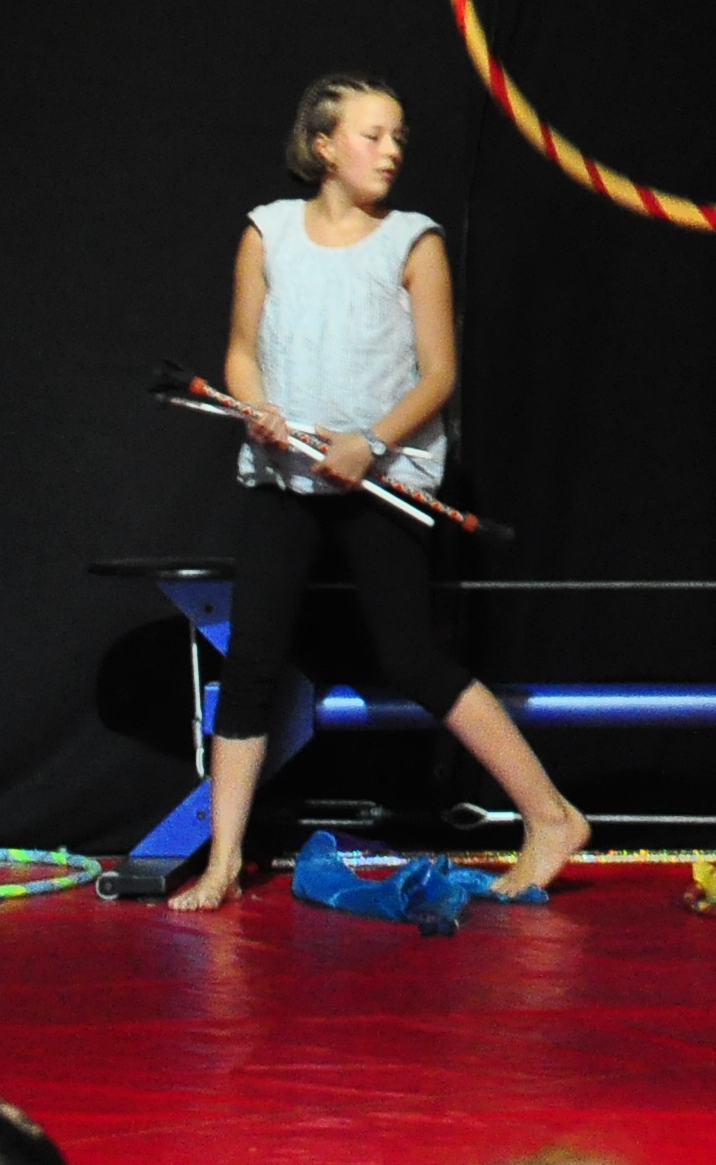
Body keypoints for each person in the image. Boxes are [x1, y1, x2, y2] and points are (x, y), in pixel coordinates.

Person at [166, 74, 589, 913]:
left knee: (411, 658)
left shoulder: (413, 241)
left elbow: (439, 375)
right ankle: (224, 860)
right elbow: (242, 350)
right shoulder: (267, 230)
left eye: (398, 136)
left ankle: (552, 816)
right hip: (284, 477)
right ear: (323, 146)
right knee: (251, 663)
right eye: (373, 135)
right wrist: (257, 408)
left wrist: (373, 443)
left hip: (382, 482)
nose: (392, 150)